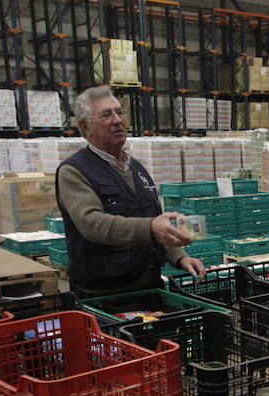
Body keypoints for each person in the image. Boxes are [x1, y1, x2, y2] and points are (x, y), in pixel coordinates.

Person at [56, 85, 205, 298]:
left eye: (119, 112)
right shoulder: (74, 171)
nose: (117, 120)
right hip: (103, 294)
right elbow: (92, 224)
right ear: (85, 127)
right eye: (106, 115)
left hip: (148, 285)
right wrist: (151, 228)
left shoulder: (136, 167)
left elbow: (154, 219)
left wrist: (179, 256)